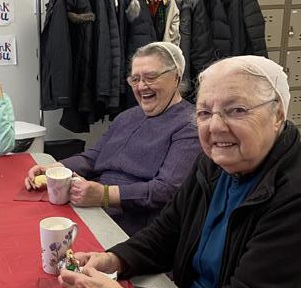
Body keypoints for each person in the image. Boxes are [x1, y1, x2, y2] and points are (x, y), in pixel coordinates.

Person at [59, 55, 301, 288]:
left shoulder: (292, 193)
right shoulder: (213, 163)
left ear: (277, 113)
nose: (215, 126)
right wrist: (114, 259)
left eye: (236, 110)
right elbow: (166, 232)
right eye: (204, 113)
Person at [26, 42, 201, 235]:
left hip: (138, 227)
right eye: (135, 79)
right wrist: (55, 168)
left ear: (176, 77)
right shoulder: (127, 116)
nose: (141, 86)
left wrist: (105, 195)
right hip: (96, 207)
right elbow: (93, 157)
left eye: (150, 77)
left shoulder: (190, 125)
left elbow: (165, 190)